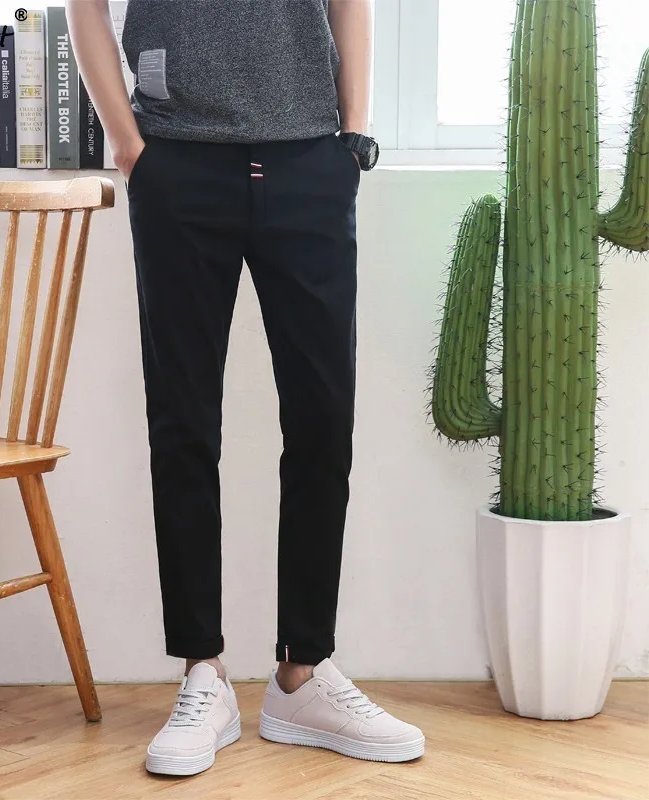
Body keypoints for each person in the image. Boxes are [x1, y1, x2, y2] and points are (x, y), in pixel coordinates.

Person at [67, 0, 424, 776]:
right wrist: (129, 146)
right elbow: (83, 6)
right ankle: (203, 670)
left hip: (310, 161)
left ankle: (304, 671)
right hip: (177, 162)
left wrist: (352, 135)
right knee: (184, 425)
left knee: (323, 419)